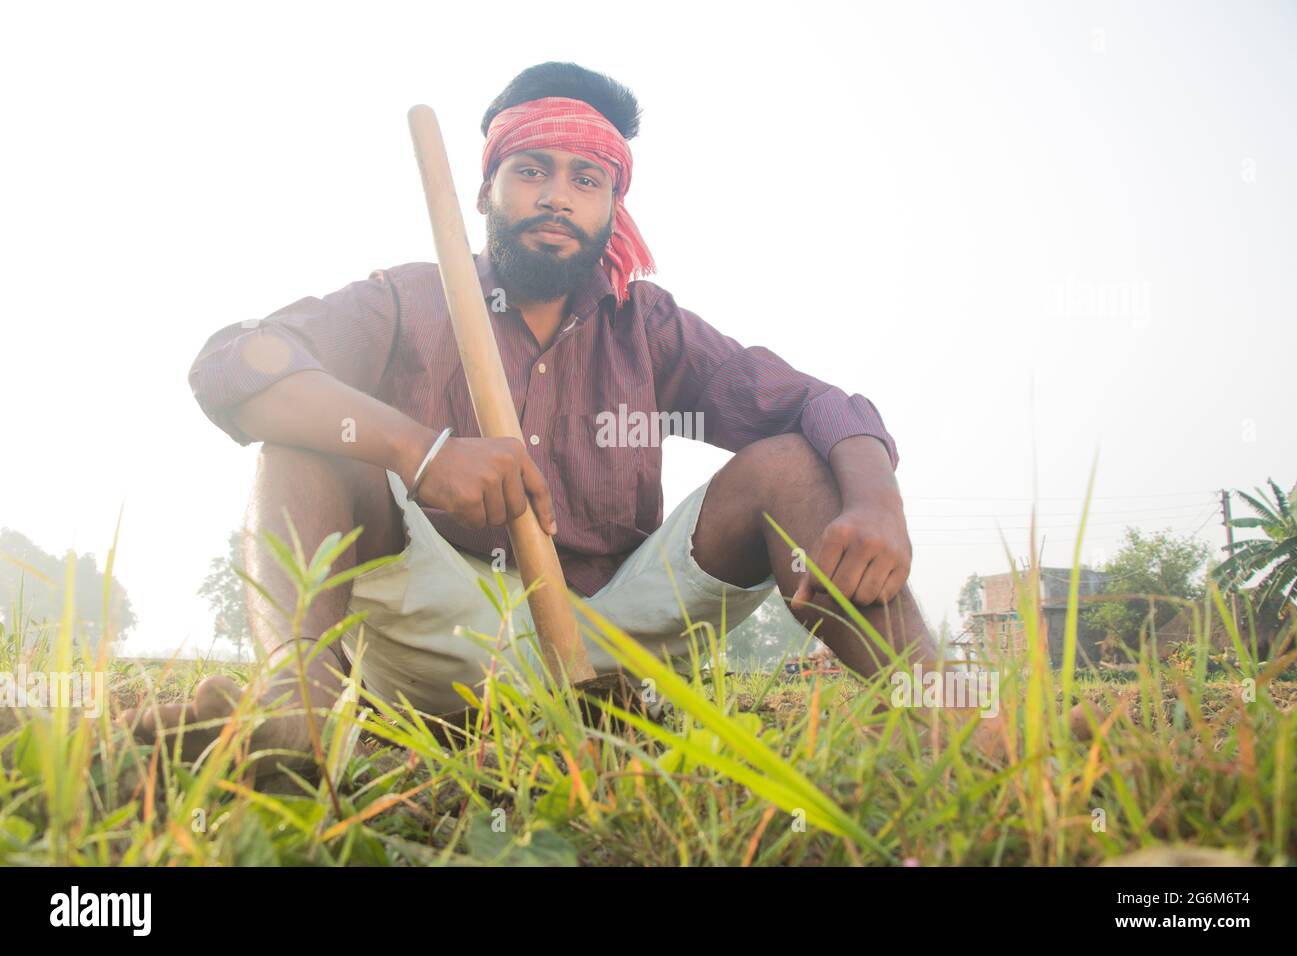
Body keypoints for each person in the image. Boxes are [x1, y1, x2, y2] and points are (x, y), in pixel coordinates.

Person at [120, 61, 935, 775]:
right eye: (531, 170)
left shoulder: (645, 325)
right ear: (484, 190)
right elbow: (235, 363)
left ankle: (951, 724)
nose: (556, 196)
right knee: (305, 446)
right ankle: (296, 714)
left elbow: (818, 405)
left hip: (617, 640)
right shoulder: (407, 299)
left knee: (792, 464)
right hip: (436, 644)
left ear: (615, 208)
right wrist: (422, 452)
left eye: (587, 180)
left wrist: (876, 502)